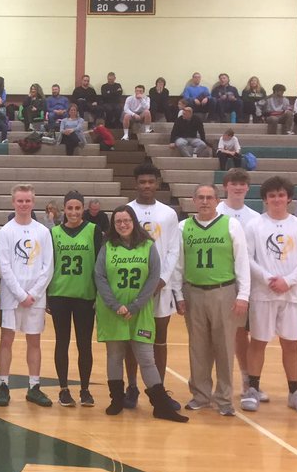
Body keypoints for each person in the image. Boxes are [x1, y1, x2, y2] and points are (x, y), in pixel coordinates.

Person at [95, 206, 187, 421]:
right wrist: (115, 305)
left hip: (141, 311)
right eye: (118, 221)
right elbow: (99, 277)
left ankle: (160, 406)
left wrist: (135, 305)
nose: (123, 225)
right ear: (113, 225)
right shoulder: (108, 246)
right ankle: (116, 400)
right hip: (112, 312)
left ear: (133, 222)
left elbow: (154, 277)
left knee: (146, 358)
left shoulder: (148, 245)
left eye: (126, 220)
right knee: (115, 356)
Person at [173, 183, 251, 417]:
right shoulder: (183, 227)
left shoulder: (231, 224)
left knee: (225, 346)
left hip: (223, 291)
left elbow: (242, 261)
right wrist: (178, 294)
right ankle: (200, 395)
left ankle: (224, 398)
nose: (205, 201)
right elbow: (178, 264)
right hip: (193, 291)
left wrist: (243, 295)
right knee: (198, 347)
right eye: (201, 197)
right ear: (194, 201)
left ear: (218, 201)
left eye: (209, 197)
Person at [243, 177, 297, 415]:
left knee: (290, 344)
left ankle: (294, 392)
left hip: (292, 295)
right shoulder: (254, 225)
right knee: (258, 342)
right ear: (265, 199)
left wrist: (288, 281)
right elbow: (248, 258)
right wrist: (267, 279)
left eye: (281, 195)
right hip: (263, 294)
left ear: (289, 198)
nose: (277, 199)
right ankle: (252, 389)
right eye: (272, 195)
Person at [127, 163, 183, 408]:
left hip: (161, 286)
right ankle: (131, 387)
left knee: (160, 338)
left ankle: (159, 390)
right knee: (131, 339)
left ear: (157, 184)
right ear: (136, 184)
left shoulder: (168, 214)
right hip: (133, 288)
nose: (146, 186)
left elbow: (173, 250)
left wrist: (161, 280)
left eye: (151, 182)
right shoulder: (127, 211)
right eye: (142, 182)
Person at [0, 184, 54, 407]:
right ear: (13, 202)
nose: (23, 204)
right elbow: (4, 267)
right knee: (6, 340)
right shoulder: (6, 231)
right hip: (11, 297)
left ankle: (34, 386)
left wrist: (34, 294)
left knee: (34, 341)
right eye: (20, 200)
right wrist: (21, 295)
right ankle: (3, 385)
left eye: (27, 200)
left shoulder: (43, 231)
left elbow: (48, 267)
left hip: (35, 298)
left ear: (33, 202)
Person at [48, 191, 103, 407]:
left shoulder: (93, 230)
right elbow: (48, 265)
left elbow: (100, 264)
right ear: (64, 209)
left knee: (84, 344)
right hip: (59, 294)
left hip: (85, 295)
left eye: (77, 208)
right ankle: (63, 389)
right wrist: (46, 295)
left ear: (83, 209)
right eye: (70, 208)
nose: (73, 212)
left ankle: (85, 390)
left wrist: (99, 294)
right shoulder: (53, 233)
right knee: (61, 342)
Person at [217, 168, 259, 403]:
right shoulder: (216, 212)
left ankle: (248, 379)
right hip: (221, 282)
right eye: (234, 183)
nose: (238, 187)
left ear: (247, 187)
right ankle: (220, 383)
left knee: (245, 334)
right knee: (224, 335)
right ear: (226, 186)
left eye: (242, 184)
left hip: (248, 283)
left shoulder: (255, 217)